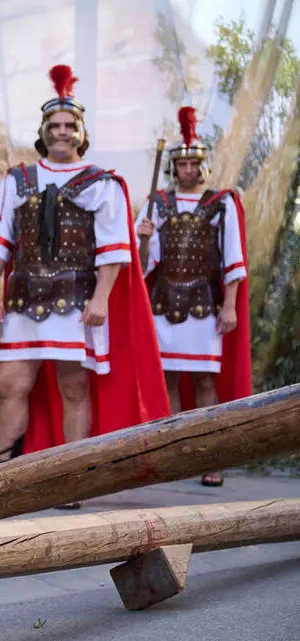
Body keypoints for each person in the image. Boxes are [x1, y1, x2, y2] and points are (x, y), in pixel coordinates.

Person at [0, 65, 168, 508]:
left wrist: (100, 300)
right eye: (54, 126)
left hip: (77, 302)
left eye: (69, 126)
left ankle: (70, 480)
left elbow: (115, 250)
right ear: (43, 132)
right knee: (9, 384)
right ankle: (0, 478)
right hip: (22, 302)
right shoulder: (17, 180)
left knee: (74, 387)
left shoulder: (102, 184)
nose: (61, 133)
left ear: (81, 132)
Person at [136, 107, 251, 487]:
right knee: (167, 378)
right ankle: (174, 455)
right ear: (173, 167)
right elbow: (141, 264)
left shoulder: (221, 203)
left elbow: (233, 257)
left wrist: (231, 305)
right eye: (181, 163)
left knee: (204, 381)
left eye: (192, 163)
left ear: (202, 165)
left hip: (203, 305)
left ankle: (210, 456)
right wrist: (144, 236)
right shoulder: (158, 203)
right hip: (164, 304)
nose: (187, 169)